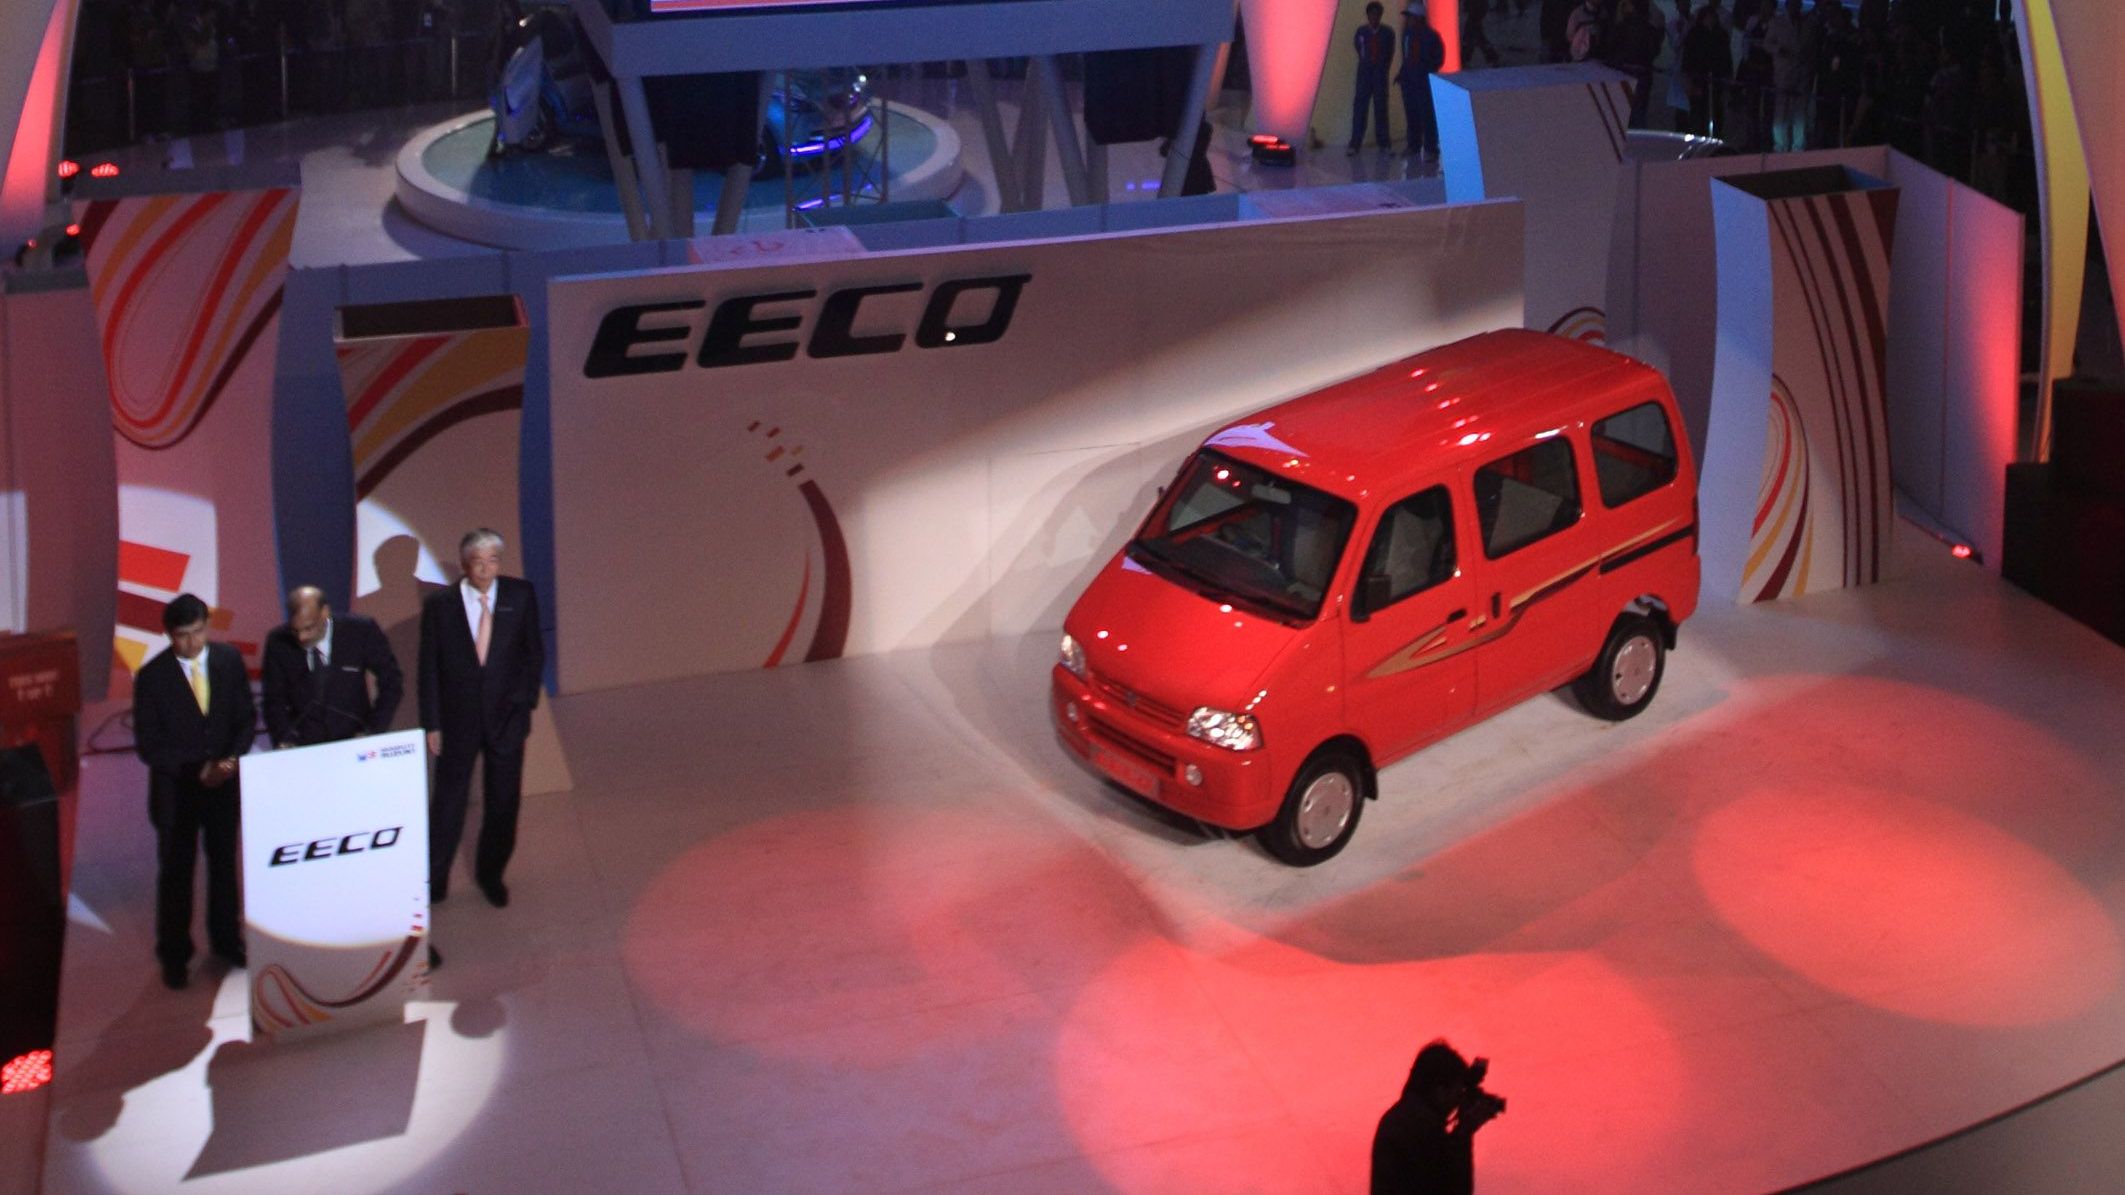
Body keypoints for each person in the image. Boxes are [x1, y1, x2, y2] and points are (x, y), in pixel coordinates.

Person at [132, 593, 255, 990]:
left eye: (198, 631)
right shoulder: (152, 677)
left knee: (224, 866)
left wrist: (231, 760)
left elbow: (245, 717)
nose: (192, 642)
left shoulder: (228, 660)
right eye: (183, 635)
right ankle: (175, 956)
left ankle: (226, 941)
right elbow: (149, 745)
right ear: (169, 635)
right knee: (176, 874)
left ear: (207, 626)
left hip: (223, 787)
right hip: (177, 794)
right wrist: (198, 769)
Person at [420, 528, 544, 909]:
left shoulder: (520, 595)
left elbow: (533, 654)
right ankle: (434, 880)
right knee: (448, 804)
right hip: (457, 721)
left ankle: (492, 875)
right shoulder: (440, 605)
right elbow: (429, 667)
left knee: (503, 802)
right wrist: (433, 723)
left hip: (507, 720)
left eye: (493, 561)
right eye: (478, 562)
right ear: (464, 564)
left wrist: (523, 704)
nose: (487, 569)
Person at [260, 586, 404, 748]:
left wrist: (372, 731)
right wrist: (285, 739)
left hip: (355, 742)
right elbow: (273, 700)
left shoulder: (360, 631)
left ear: (324, 612)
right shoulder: (278, 642)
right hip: (303, 748)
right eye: (295, 630)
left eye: (308, 628)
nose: (301, 637)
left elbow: (392, 682)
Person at [1371, 1040, 1507, 1194]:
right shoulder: (1423, 1126)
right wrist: (1464, 1133)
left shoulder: (1401, 1119)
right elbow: (1452, 1187)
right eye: (1457, 1092)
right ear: (1440, 1091)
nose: (1457, 1102)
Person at [1396, 3, 1447, 159]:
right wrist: (1403, 73)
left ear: (1419, 18)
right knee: (1411, 113)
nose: (1408, 20)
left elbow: (1438, 58)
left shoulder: (1431, 36)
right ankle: (1414, 145)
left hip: (1423, 79)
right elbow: (1406, 56)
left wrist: (1426, 69)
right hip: (1409, 79)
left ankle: (1431, 147)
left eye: (1410, 17)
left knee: (1426, 114)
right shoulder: (1407, 34)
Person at [1350, 2, 1398, 155]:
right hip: (1364, 75)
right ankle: (1355, 143)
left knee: (1381, 109)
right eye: (1372, 14)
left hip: (1380, 75)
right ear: (1368, 15)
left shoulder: (1388, 33)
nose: (1374, 17)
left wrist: (1382, 68)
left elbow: (1389, 53)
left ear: (1380, 16)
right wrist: (1367, 62)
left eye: (1377, 14)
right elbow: (1359, 49)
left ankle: (1384, 143)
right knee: (1360, 109)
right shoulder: (1361, 32)